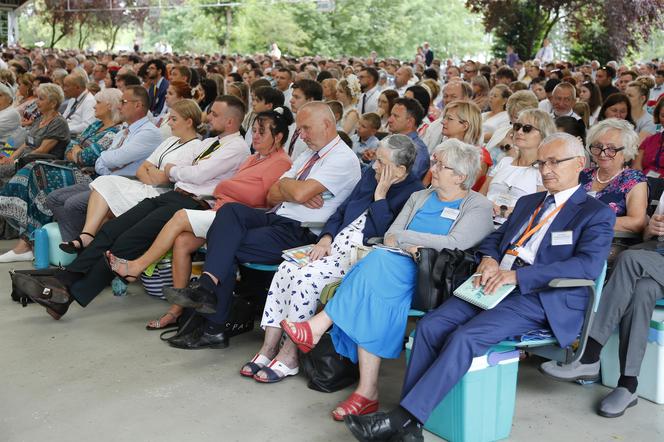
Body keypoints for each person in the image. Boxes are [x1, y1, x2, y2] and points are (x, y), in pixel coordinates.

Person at [344, 133, 615, 442]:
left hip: (541, 295)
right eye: (542, 162)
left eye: (555, 162)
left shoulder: (595, 213)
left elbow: (586, 266)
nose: (546, 169)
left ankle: (404, 420)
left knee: (465, 336)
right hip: (494, 282)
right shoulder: (528, 203)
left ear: (580, 164)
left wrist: (518, 277)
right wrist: (489, 258)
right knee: (431, 326)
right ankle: (411, 427)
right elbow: (496, 240)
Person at [281, 139, 493, 420]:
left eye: (441, 165)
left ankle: (319, 328)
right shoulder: (422, 197)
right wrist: (407, 243)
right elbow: (390, 234)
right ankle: (365, 391)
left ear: (461, 176)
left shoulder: (477, 205)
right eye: (435, 162)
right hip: (395, 265)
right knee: (375, 291)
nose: (433, 168)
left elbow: (455, 243)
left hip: (433, 276)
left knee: (376, 262)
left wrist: (409, 242)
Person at [21, 95, 250, 320]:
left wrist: (172, 169)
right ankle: (66, 283)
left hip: (195, 203)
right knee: (113, 229)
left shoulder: (237, 148)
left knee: (128, 242)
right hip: (174, 194)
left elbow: (197, 173)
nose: (208, 117)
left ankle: (66, 292)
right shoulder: (209, 143)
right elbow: (180, 168)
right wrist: (177, 169)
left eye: (215, 114)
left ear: (230, 121)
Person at [160, 102, 361, 350]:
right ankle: (209, 295)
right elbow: (272, 195)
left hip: (303, 230)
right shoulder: (309, 154)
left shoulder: (343, 158)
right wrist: (293, 189)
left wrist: (292, 188)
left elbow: (295, 192)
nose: (302, 135)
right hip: (277, 216)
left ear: (327, 124)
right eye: (300, 129)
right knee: (231, 212)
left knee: (224, 242)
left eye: (306, 129)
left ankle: (213, 323)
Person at [242, 134, 424, 382]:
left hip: (362, 258)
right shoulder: (371, 176)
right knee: (286, 268)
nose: (375, 166)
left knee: (306, 278)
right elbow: (342, 210)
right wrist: (326, 237)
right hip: (335, 247)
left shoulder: (414, 193)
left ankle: (290, 355)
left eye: (382, 162)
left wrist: (381, 195)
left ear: (400, 169)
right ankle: (268, 348)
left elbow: (388, 234)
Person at [107, 107, 294, 330]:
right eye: (253, 130)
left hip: (240, 219)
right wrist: (228, 188)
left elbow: (260, 198)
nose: (254, 136)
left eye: (261, 132)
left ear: (279, 136)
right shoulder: (253, 158)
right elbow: (232, 187)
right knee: (182, 241)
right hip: (222, 210)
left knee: (180, 216)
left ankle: (137, 266)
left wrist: (226, 187)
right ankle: (176, 310)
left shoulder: (281, 162)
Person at [540, 210, 664, 418]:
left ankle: (590, 354)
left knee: (629, 259)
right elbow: (650, 237)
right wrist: (651, 231)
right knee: (642, 290)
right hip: (656, 257)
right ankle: (628, 385)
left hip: (649, 260)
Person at [58, 99, 203, 254]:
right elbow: (142, 169)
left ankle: (90, 249)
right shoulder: (170, 141)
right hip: (145, 184)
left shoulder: (195, 147)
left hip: (162, 194)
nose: (169, 123)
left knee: (104, 213)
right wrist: (154, 173)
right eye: (169, 118)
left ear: (188, 122)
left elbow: (165, 178)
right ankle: (87, 235)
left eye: (174, 119)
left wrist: (154, 172)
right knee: (105, 182)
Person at [0, 88, 122, 263]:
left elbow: (83, 156)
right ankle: (25, 239)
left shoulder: (61, 123)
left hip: (85, 174)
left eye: (41, 98)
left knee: (34, 171)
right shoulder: (93, 124)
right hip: (34, 159)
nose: (37, 103)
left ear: (53, 102)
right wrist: (9, 157)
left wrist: (77, 151)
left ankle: (26, 241)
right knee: (31, 172)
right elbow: (65, 145)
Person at [45, 85, 163, 244]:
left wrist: (110, 159)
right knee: (54, 198)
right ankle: (76, 246)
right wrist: (110, 160)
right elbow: (101, 162)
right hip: (105, 180)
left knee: (73, 203)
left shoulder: (149, 133)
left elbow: (114, 158)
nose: (119, 106)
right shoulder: (123, 132)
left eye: (124, 101)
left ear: (138, 105)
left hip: (126, 185)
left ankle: (83, 247)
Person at [480, 109, 554, 219]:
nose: (519, 132)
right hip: (484, 218)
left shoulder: (544, 170)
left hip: (514, 226)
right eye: (517, 126)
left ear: (543, 134)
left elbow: (538, 209)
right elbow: (481, 194)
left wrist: (507, 212)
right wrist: (489, 206)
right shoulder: (504, 162)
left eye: (527, 128)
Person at [580, 118, 648, 235]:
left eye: (611, 148)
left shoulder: (634, 179)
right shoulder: (583, 175)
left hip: (610, 242)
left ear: (626, 151)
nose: (602, 154)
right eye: (598, 146)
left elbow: (637, 222)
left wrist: (588, 223)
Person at [0, 83, 70, 185]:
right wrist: (11, 158)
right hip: (22, 159)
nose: (36, 101)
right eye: (37, 97)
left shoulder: (58, 123)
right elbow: (26, 143)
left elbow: (41, 151)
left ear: (53, 103)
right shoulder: (40, 119)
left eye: (41, 99)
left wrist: (16, 161)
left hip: (36, 164)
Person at [439, 100, 489, 190]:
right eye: (444, 118)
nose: (442, 122)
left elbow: (462, 188)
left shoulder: (480, 156)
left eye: (449, 119)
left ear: (465, 126)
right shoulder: (444, 147)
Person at [385, 97, 430, 180]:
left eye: (396, 116)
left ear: (410, 122)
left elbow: (404, 183)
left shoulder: (418, 151)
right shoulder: (390, 140)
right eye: (391, 115)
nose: (389, 120)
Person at [285, 79, 323, 160]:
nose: (291, 100)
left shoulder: (318, 131)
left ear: (310, 100)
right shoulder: (294, 125)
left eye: (297, 97)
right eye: (292, 96)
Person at [633, 98, 664, 177]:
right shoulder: (649, 140)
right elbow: (636, 167)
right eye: (663, 116)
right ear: (658, 116)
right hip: (643, 184)